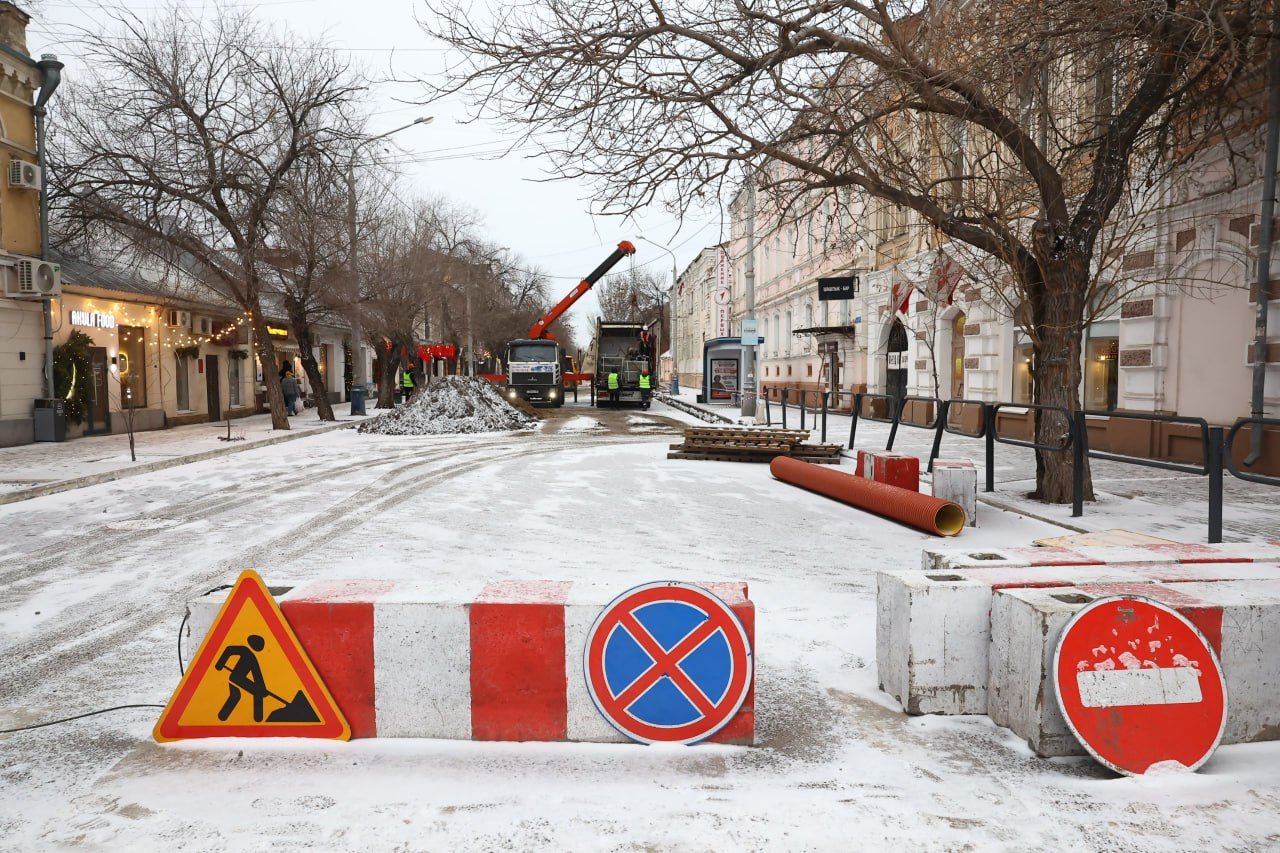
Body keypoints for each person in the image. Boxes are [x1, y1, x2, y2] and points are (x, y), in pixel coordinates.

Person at [215, 634, 268, 722]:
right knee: (252, 693)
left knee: (236, 696)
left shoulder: (252, 658)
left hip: (237, 679)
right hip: (237, 678)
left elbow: (257, 676)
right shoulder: (245, 651)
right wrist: (220, 664)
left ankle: (222, 717)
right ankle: (258, 718)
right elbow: (229, 650)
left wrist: (263, 688)